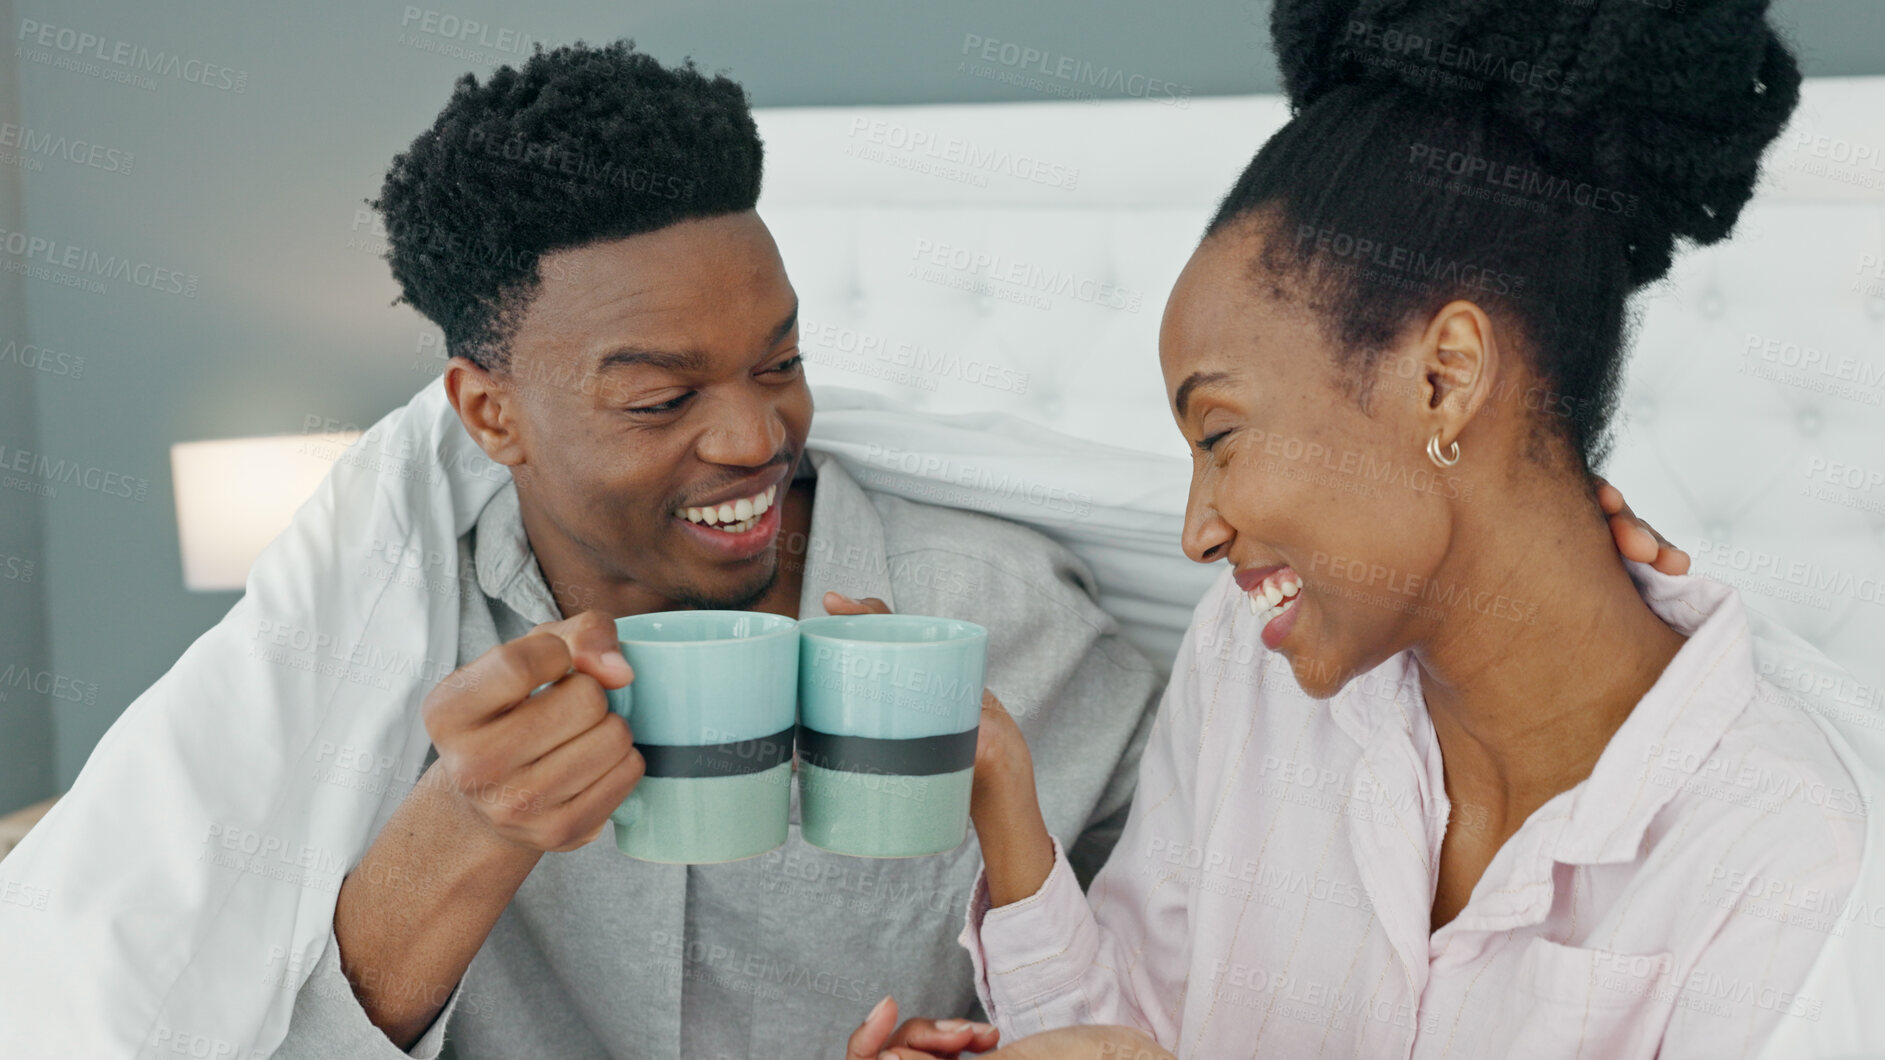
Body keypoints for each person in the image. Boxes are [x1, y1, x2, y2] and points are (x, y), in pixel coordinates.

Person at [867, 1, 1863, 1058]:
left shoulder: (1776, 858)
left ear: (1444, 379)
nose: (1199, 531)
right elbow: (1141, 1035)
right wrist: (1006, 810)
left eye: (1220, 432)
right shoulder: (1246, 659)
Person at [262, 41, 1168, 1059]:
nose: (754, 440)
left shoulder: (1005, 622)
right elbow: (235, 1023)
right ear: (490, 415)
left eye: (781, 361)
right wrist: (471, 825)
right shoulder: (393, 643)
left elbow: (1177, 992)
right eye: (661, 398)